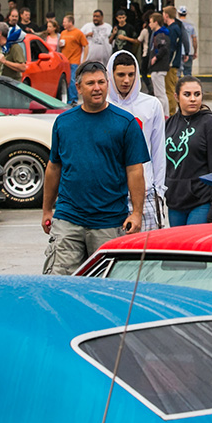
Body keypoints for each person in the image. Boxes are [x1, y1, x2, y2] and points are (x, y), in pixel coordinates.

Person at [41, 61, 149, 274]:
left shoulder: (126, 123)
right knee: (60, 282)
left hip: (109, 221)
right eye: (90, 83)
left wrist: (137, 213)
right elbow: (54, 167)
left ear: (108, 84)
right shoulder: (63, 122)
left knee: (107, 284)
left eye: (101, 82)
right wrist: (47, 209)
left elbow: (135, 171)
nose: (97, 88)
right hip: (68, 218)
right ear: (79, 88)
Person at [106, 52, 167, 230]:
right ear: (111, 75)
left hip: (146, 194)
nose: (126, 80)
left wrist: (159, 191)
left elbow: (158, 150)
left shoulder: (152, 105)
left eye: (131, 74)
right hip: (110, 195)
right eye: (121, 75)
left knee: (147, 247)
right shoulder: (102, 105)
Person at [164, 76, 212, 225]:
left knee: (193, 240)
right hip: (175, 203)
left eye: (197, 94)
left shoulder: (211, 125)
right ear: (176, 97)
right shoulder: (169, 124)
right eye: (187, 94)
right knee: (178, 241)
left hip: (202, 201)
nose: (193, 99)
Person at [58, 15, 88, 103]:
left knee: (72, 80)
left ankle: (73, 100)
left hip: (74, 61)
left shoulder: (78, 33)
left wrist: (84, 59)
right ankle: (66, 98)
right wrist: (60, 45)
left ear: (70, 22)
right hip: (64, 61)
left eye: (65, 22)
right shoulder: (63, 33)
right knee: (65, 80)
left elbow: (86, 45)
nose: (63, 24)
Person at [161, 6, 184, 114]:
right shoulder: (175, 27)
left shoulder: (172, 29)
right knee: (171, 88)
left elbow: (172, 48)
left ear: (166, 15)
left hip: (171, 63)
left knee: (169, 89)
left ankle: (171, 113)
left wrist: (168, 62)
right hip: (173, 62)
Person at [177, 7, 197, 77]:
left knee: (177, 73)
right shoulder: (191, 24)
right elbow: (194, 40)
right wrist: (195, 51)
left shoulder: (177, 24)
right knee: (188, 73)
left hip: (179, 51)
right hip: (189, 51)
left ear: (178, 13)